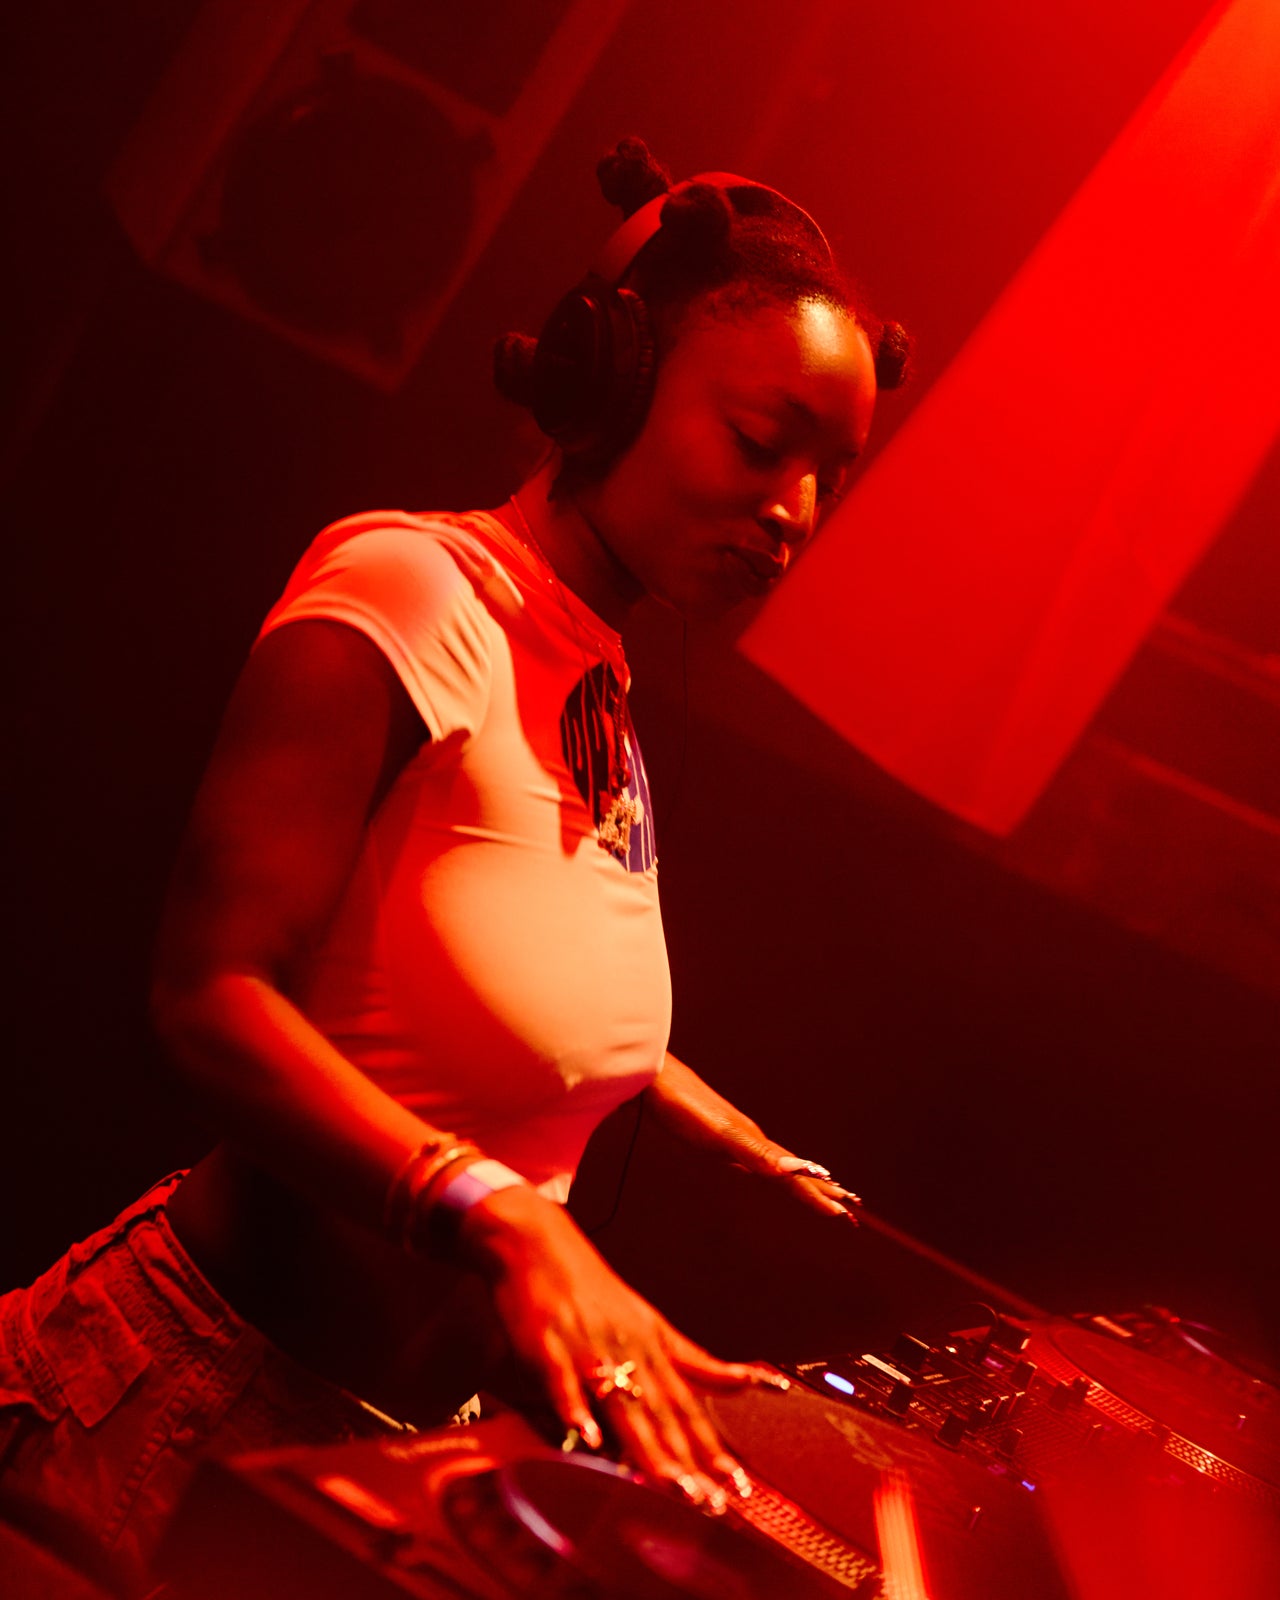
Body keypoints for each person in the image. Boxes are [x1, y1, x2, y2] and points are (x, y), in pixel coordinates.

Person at [0, 137, 908, 1595]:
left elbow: (471, 961)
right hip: (187, 1408)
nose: (794, 512)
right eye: (761, 443)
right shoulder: (411, 586)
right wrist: (506, 1222)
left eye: (829, 477)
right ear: (609, 380)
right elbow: (207, 999)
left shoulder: (593, 674)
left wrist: (711, 1123)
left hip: (373, 1446)